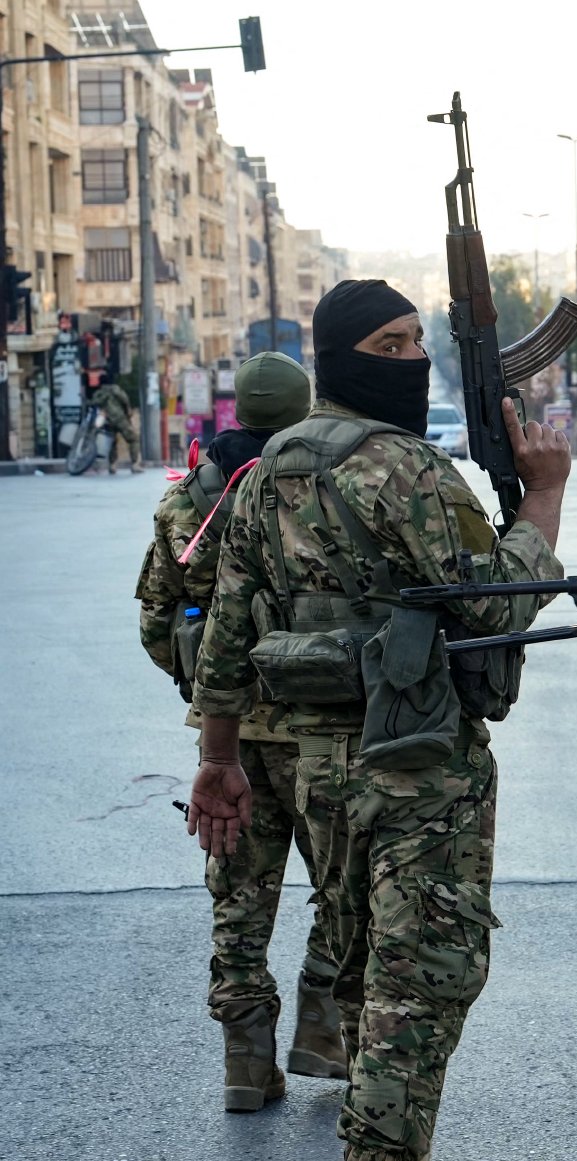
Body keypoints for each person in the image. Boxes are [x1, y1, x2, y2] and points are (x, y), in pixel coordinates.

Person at [186, 278, 571, 1161]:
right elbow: (497, 601)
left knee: (371, 960)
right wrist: (541, 499)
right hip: (417, 766)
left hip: (314, 768)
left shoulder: (270, 467)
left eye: (414, 340)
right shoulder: (408, 470)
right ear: (344, 355)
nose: (408, 358)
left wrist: (219, 753)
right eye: (389, 344)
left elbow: (226, 628)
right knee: (423, 977)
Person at [136, 351, 346, 1111]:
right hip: (321, 729)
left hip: (226, 739)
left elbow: (157, 622)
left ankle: (246, 1069)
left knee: (239, 899)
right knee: (340, 886)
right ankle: (326, 1039)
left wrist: (199, 687)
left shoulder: (187, 501)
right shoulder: (316, 490)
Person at [90, 373, 141, 473]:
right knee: (133, 439)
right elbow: (124, 399)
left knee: (112, 442)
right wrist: (128, 412)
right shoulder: (115, 389)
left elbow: (94, 403)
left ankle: (112, 465)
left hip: (107, 420)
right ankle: (135, 464)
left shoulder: (99, 393)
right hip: (119, 418)